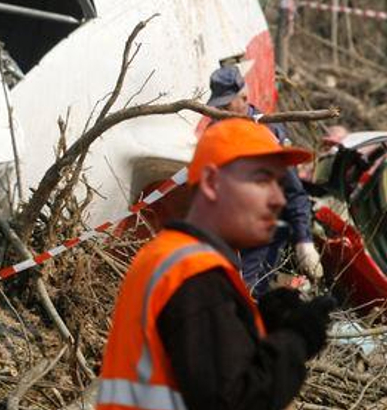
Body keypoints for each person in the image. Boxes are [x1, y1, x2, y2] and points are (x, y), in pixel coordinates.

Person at [97, 118, 335, 410]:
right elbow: (236, 402)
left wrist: (257, 326)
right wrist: (295, 340)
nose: (277, 199)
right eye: (262, 180)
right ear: (211, 183)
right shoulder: (194, 277)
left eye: (280, 184)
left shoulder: (170, 256)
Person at [206, 64, 323, 295]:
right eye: (219, 106)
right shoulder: (216, 130)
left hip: (263, 230)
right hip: (225, 229)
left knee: (247, 293)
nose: (222, 112)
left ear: (244, 97)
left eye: (227, 105)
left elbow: (294, 191)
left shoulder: (268, 134)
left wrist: (304, 241)